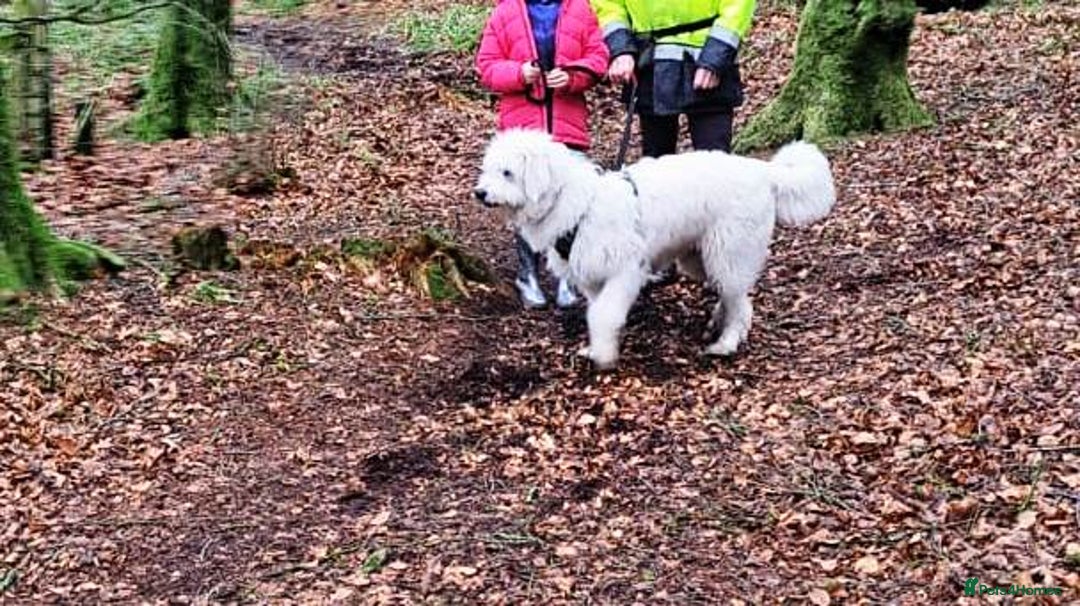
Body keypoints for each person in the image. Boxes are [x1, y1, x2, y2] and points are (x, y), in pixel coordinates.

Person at [476, 0, 610, 309]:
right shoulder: (506, 11)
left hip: (568, 125)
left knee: (572, 204)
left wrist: (574, 76)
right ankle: (528, 275)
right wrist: (519, 73)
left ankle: (570, 278)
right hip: (521, 127)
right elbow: (488, 65)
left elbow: (598, 57)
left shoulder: (579, 8)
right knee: (521, 201)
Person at [590, 0, 756, 157]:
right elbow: (608, 8)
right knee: (655, 168)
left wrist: (715, 58)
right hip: (649, 63)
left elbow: (737, 7)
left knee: (715, 164)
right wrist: (621, 48)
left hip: (704, 61)